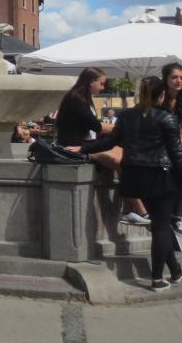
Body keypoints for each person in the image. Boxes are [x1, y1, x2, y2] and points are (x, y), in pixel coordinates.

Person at [73, 76, 182, 291]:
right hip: (160, 176)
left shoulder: (126, 116)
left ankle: (175, 270)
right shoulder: (166, 118)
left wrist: (83, 147)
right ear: (162, 94)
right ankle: (157, 279)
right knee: (161, 226)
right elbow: (177, 155)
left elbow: (110, 141)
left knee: (159, 225)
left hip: (134, 176)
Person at [57, 68, 147, 225]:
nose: (103, 87)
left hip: (88, 143)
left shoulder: (82, 98)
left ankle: (127, 210)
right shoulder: (76, 99)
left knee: (130, 159)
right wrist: (124, 127)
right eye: (102, 83)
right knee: (123, 164)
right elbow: (97, 127)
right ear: (90, 82)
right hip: (76, 146)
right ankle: (140, 210)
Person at [159, 63, 182, 236]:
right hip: (155, 143)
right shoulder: (158, 98)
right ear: (166, 79)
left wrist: (177, 145)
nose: (178, 81)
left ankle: (176, 216)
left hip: (174, 145)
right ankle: (172, 216)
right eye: (174, 77)